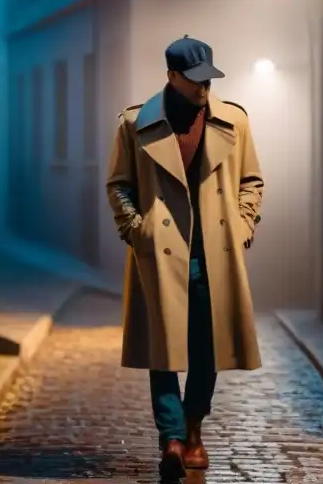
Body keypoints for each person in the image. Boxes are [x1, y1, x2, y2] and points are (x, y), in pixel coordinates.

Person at [105, 35, 264, 478]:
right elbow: (119, 184)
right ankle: (172, 438)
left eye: (208, 79)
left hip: (214, 254)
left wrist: (243, 224)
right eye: (193, 80)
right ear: (171, 76)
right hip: (159, 254)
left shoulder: (233, 121)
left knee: (206, 351)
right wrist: (137, 231)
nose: (203, 88)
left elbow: (252, 180)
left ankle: (194, 429)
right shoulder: (135, 124)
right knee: (163, 349)